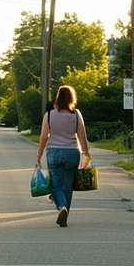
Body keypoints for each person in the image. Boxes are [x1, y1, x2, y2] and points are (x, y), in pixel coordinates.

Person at [34, 85, 90, 227]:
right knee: (68, 184)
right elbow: (82, 137)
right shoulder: (76, 115)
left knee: (56, 184)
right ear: (72, 98)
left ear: (57, 98)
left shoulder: (50, 115)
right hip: (72, 152)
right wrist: (86, 154)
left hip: (54, 152)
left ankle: (61, 207)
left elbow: (44, 137)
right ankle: (65, 211)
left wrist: (39, 155)